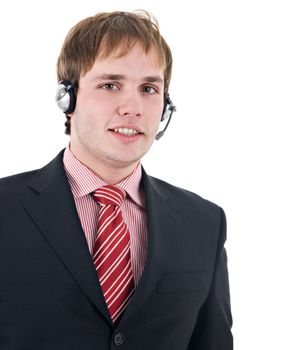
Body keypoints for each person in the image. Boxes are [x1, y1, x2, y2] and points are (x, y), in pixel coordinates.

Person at [0, 10, 233, 349]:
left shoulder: (204, 222)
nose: (132, 107)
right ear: (67, 97)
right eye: (110, 85)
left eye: (149, 88)